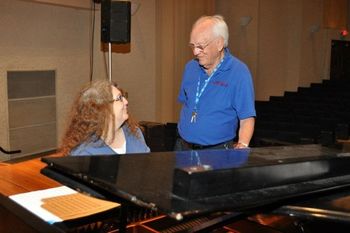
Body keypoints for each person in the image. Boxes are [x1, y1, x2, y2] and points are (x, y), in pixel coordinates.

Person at [175, 15, 256, 151]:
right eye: (193, 46)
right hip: (183, 147)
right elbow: (187, 104)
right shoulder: (190, 67)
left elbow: (247, 118)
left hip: (216, 152)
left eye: (200, 46)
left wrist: (242, 145)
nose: (195, 52)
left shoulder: (239, 72)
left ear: (219, 43)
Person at [60, 80, 150, 156]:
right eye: (119, 98)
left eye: (123, 96)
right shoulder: (84, 151)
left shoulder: (134, 132)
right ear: (102, 109)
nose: (126, 101)